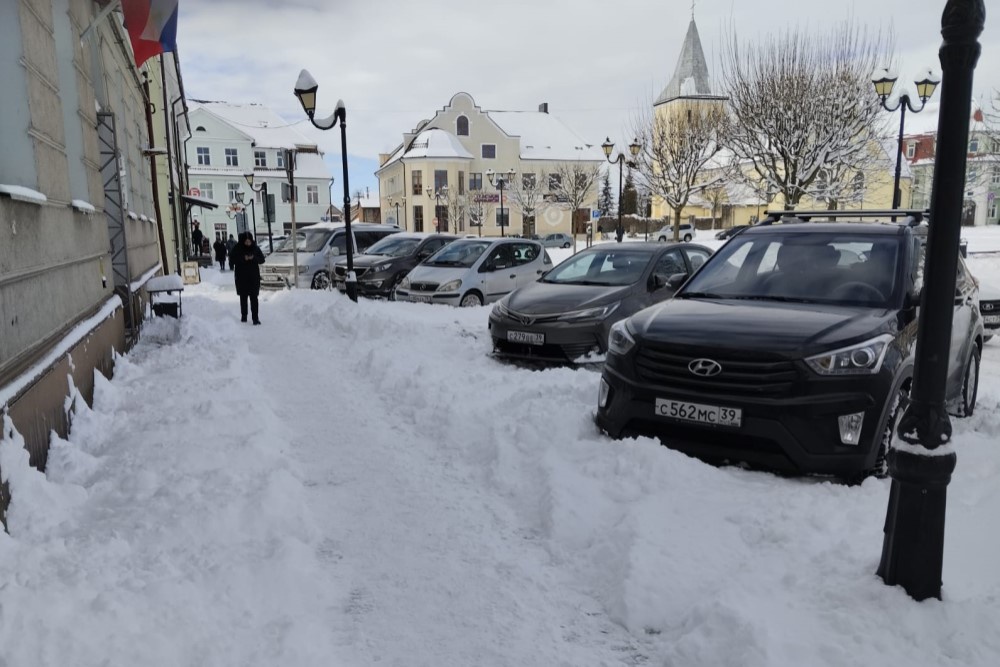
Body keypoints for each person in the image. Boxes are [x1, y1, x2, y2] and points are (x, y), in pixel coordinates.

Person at [230, 232, 265, 324]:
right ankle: (244, 316)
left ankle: (255, 318)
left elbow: (262, 259)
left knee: (254, 297)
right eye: (246, 242)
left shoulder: (255, 248)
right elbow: (232, 260)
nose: (248, 243)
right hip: (241, 277)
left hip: (253, 277)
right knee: (243, 297)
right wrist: (243, 258)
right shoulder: (238, 248)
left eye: (249, 242)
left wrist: (253, 258)